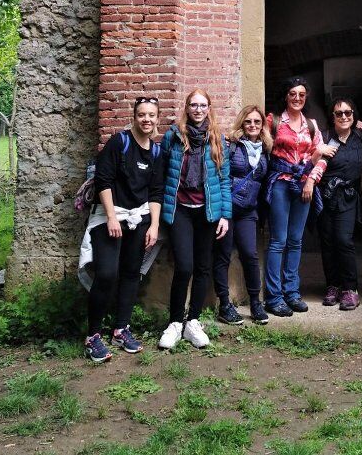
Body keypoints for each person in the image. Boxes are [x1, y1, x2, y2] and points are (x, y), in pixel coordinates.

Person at [82, 97, 164, 363]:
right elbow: (103, 180)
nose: (146, 119)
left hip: (139, 219)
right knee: (107, 273)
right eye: (142, 115)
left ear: (157, 119)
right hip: (111, 217)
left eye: (151, 115)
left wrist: (154, 225)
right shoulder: (120, 142)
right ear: (134, 117)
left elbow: (156, 192)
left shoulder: (156, 152)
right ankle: (92, 336)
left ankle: (121, 329)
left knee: (131, 274)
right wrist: (111, 217)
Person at [157, 89, 231, 350]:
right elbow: (162, 173)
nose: (198, 110)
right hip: (180, 210)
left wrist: (225, 215)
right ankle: (175, 323)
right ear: (187, 107)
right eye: (194, 105)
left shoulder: (218, 138)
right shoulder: (173, 136)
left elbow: (224, 179)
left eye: (203, 105)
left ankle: (193, 322)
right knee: (184, 266)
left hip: (207, 212)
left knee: (202, 268)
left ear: (209, 108)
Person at [263, 76, 334, 316]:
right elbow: (261, 146)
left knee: (296, 240)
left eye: (301, 94)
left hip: (304, 186)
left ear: (306, 97)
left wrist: (311, 181)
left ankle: (291, 292)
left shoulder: (311, 125)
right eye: (293, 93)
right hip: (281, 184)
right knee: (278, 241)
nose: (297, 98)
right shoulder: (273, 121)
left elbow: (322, 157)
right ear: (286, 96)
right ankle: (274, 297)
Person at [213, 105, 271, 326]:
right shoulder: (232, 146)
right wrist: (221, 211)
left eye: (257, 122)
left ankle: (255, 303)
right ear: (242, 123)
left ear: (262, 125)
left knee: (250, 254)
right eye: (248, 121)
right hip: (227, 210)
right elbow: (221, 176)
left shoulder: (266, 149)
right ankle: (224, 304)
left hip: (248, 210)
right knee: (223, 255)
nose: (252, 125)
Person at [316, 98, 362, 310]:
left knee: (344, 240)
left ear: (354, 115)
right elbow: (310, 158)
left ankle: (350, 289)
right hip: (326, 196)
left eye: (348, 112)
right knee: (327, 242)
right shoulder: (325, 137)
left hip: (348, 197)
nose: (344, 116)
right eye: (339, 113)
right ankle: (333, 286)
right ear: (332, 116)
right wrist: (319, 150)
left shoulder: (361, 136)